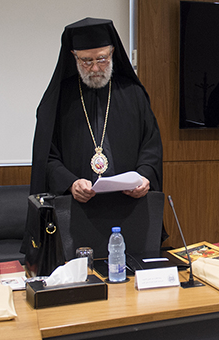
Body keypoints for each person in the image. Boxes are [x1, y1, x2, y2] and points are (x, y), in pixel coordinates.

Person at [25, 18, 163, 254]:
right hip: (76, 213)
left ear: (112, 52)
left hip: (129, 209)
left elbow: (151, 146)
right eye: (86, 61)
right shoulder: (59, 99)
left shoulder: (133, 94)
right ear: (74, 56)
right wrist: (70, 183)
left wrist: (144, 176)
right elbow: (46, 156)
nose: (96, 68)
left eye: (102, 59)